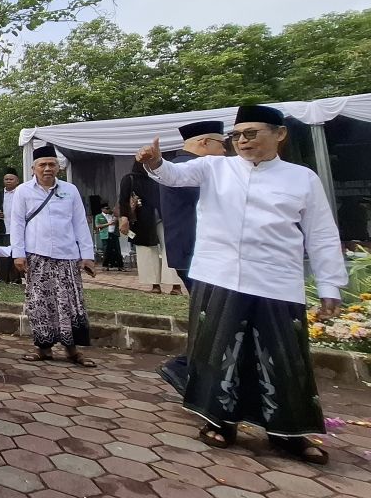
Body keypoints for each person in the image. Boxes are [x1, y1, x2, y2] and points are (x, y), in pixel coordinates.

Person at [137, 104, 347, 464]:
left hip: (276, 281)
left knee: (283, 358)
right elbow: (173, 175)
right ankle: (219, 421)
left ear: (279, 134)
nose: (243, 141)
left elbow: (322, 235)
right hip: (218, 276)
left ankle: (289, 433)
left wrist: (330, 284)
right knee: (218, 352)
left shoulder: (302, 179)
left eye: (251, 133)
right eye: (236, 135)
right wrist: (155, 162)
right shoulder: (215, 167)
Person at [10, 145, 97, 368]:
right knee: (40, 302)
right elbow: (16, 223)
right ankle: (44, 349)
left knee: (70, 303)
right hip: (36, 255)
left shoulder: (70, 190)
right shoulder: (23, 191)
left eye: (52, 164)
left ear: (58, 167)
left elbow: (80, 223)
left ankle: (73, 350)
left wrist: (87, 255)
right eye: (43, 165)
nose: (47, 168)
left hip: (67, 256)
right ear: (33, 168)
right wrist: (18, 254)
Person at [156, 120, 227, 393]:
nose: (225, 151)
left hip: (194, 252)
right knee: (214, 315)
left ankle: (195, 372)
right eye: (222, 144)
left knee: (213, 314)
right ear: (205, 143)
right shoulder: (187, 168)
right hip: (197, 253)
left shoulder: (182, 166)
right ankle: (184, 368)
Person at [120, 160, 182, 294]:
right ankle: (155, 285)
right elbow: (123, 200)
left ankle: (175, 285)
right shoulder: (130, 178)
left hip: (165, 216)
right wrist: (124, 218)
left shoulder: (161, 175)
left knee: (170, 249)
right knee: (147, 251)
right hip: (142, 218)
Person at [0, 168, 22, 283]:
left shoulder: (21, 193)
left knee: (15, 253)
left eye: (11, 179)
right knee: (2, 254)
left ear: (17, 181)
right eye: (6, 179)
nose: (8, 181)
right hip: (2, 228)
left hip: (17, 229)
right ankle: (0, 276)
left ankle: (15, 278)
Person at [98, 204, 124, 271]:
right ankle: (105, 265)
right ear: (102, 209)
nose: (108, 210)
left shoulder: (113, 216)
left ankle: (120, 266)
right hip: (106, 235)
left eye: (109, 208)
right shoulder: (99, 216)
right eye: (106, 208)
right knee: (107, 250)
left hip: (114, 234)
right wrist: (108, 224)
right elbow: (98, 226)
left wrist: (116, 218)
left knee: (117, 250)